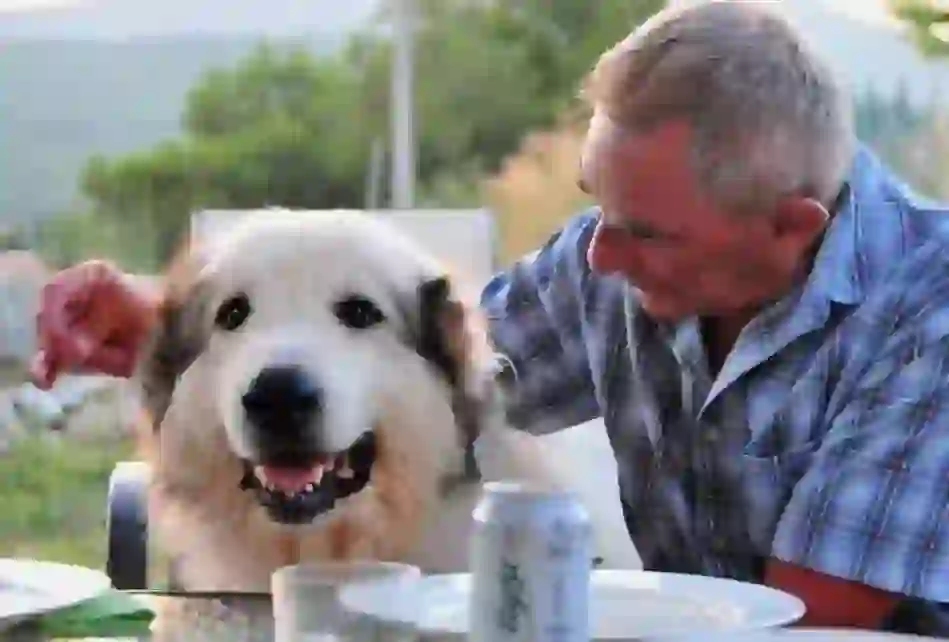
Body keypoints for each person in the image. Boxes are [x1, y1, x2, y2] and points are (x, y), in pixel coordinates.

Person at [31, 2, 949, 634]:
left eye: (644, 234)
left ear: (792, 228)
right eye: (597, 208)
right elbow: (427, 370)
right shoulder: (619, 261)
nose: (595, 260)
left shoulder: (928, 316)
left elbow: (815, 627)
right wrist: (170, 325)